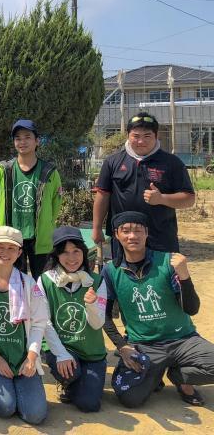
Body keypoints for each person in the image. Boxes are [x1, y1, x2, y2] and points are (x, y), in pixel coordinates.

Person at [102, 211, 214, 408]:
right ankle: (155, 373)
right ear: (116, 235)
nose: (132, 236)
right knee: (130, 397)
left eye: (138, 230)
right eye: (126, 231)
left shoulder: (168, 262)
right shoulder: (111, 271)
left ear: (147, 233)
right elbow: (104, 315)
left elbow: (192, 309)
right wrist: (122, 346)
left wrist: (185, 277)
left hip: (183, 339)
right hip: (144, 344)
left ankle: (179, 376)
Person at [0, 226, 49, 425]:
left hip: (22, 357)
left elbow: (39, 323)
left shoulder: (28, 283)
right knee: (5, 408)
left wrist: (31, 358)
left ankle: (16, 386)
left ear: (19, 252)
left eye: (11, 248)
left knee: (35, 415)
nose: (5, 253)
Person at [93, 112, 195, 264]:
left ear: (156, 136)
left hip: (160, 238)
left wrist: (162, 198)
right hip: (124, 237)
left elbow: (189, 199)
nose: (141, 141)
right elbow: (103, 196)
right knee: (124, 276)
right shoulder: (112, 162)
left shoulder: (172, 163)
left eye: (147, 136)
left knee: (162, 277)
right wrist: (96, 228)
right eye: (136, 136)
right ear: (128, 135)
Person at [38, 226, 108, 412]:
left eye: (76, 251)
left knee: (89, 405)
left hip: (91, 352)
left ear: (84, 252)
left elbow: (98, 324)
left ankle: (79, 384)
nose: (71, 258)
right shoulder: (45, 280)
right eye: (64, 252)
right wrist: (61, 354)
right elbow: (44, 322)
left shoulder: (97, 281)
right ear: (56, 255)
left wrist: (91, 305)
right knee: (71, 374)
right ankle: (69, 380)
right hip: (62, 347)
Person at [0, 119, 62, 277]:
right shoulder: (4, 171)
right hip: (11, 239)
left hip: (41, 240)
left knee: (44, 283)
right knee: (15, 283)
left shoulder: (49, 172)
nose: (22, 142)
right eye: (17, 138)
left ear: (37, 141)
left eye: (27, 137)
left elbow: (56, 204)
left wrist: (46, 223)